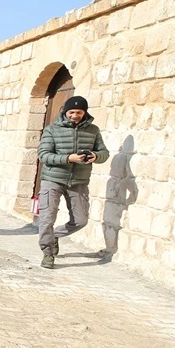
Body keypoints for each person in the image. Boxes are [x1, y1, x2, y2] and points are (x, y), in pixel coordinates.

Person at [36, 95, 109, 269]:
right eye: (72, 112)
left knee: (81, 220)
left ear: (85, 112)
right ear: (65, 112)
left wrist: (95, 156)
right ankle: (48, 253)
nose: (75, 115)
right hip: (52, 179)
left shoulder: (93, 130)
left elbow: (104, 153)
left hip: (79, 181)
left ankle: (54, 236)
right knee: (47, 219)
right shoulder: (52, 130)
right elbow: (44, 155)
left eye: (79, 112)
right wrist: (69, 158)